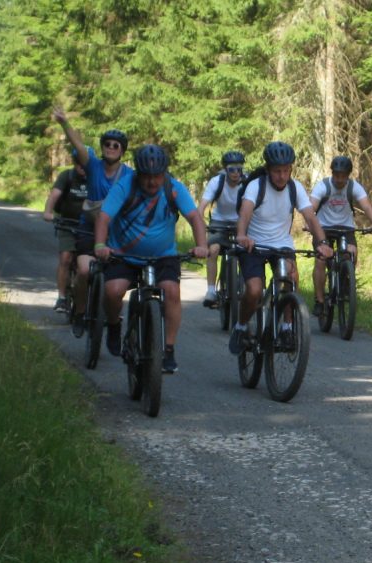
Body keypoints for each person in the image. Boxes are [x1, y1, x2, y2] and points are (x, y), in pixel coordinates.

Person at [93, 144, 208, 374]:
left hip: (163, 256)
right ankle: (114, 324)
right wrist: (100, 245)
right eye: (147, 176)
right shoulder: (125, 186)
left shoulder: (173, 188)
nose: (152, 182)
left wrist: (202, 245)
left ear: (164, 173)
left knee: (172, 292)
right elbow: (104, 217)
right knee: (113, 291)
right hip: (123, 254)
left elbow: (195, 217)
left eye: (157, 176)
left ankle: (168, 349)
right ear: (138, 174)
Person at [228, 141, 334, 355]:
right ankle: (241, 326)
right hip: (254, 245)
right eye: (277, 171)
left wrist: (322, 243)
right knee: (254, 290)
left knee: (290, 280)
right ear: (268, 170)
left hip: (282, 244)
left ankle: (287, 327)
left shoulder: (295, 188)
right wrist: (241, 235)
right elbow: (245, 213)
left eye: (286, 171)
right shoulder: (256, 186)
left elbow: (310, 218)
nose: (282, 176)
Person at [52, 106, 133, 337]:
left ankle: (113, 318)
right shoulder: (93, 165)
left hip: (116, 233)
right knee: (84, 271)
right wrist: (64, 123)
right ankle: (79, 312)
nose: (111, 148)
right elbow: (78, 144)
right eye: (107, 144)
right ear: (102, 147)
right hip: (88, 228)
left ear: (122, 150)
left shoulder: (129, 175)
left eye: (116, 145)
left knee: (116, 281)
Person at [308, 155, 372, 317]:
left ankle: (344, 282)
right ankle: (319, 301)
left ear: (348, 175)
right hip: (323, 228)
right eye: (337, 175)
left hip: (346, 228)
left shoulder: (354, 187)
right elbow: (311, 207)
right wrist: (309, 224)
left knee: (352, 253)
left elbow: (366, 205)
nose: (339, 179)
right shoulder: (323, 186)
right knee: (321, 260)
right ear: (332, 173)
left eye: (343, 176)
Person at [197, 150, 246, 307]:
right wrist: (199, 222)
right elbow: (202, 206)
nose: (235, 173)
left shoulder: (247, 183)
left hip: (241, 222)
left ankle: (247, 285)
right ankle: (211, 290)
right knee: (213, 250)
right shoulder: (216, 182)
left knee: (247, 252)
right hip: (219, 222)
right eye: (231, 169)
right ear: (225, 170)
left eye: (239, 169)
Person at [42, 159, 88, 314]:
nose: (82, 166)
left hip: (90, 226)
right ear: (74, 163)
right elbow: (54, 194)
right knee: (66, 258)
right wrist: (48, 212)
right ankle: (62, 297)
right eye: (79, 163)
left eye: (85, 163)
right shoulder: (67, 176)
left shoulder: (96, 178)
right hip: (67, 224)